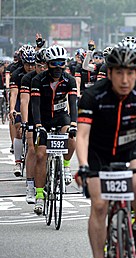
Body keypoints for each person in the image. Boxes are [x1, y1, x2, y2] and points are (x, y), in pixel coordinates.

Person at [76, 41, 136, 258]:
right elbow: (82, 135)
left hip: (129, 146)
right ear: (109, 73)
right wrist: (83, 167)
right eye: (119, 73)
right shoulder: (93, 94)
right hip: (98, 152)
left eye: (131, 73)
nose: (125, 80)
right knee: (99, 205)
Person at [31, 45, 78, 214]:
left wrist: (74, 123)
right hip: (42, 118)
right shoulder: (38, 81)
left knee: (72, 136)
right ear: (47, 63)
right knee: (41, 155)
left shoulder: (69, 80)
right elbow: (34, 106)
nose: (58, 67)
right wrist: (38, 126)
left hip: (60, 116)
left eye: (61, 63)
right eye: (54, 63)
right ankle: (39, 196)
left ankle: (65, 166)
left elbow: (73, 104)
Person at [20, 48, 47, 204]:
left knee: (46, 151)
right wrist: (24, 121)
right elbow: (24, 101)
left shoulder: (52, 77)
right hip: (32, 114)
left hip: (49, 116)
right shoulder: (27, 79)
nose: (42, 69)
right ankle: (31, 185)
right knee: (32, 148)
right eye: (39, 66)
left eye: (45, 66)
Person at [9, 46, 36, 177]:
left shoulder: (39, 74)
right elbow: (14, 94)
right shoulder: (17, 74)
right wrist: (12, 109)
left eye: (32, 64)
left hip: (35, 100)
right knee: (19, 129)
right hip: (21, 100)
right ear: (22, 62)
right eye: (27, 64)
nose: (30, 67)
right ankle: (18, 161)